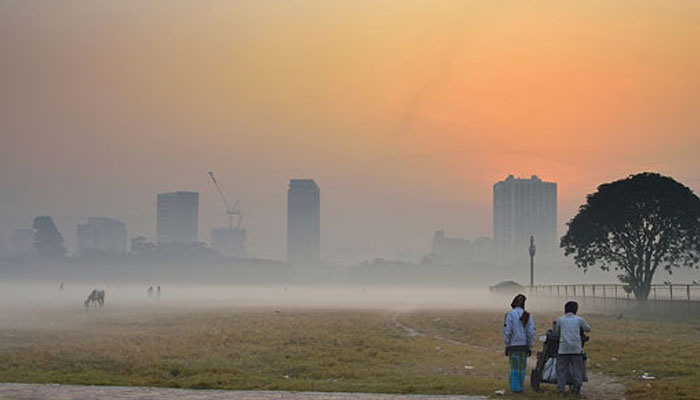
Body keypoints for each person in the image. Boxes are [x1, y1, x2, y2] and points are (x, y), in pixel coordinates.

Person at [553, 301, 591, 396]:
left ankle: (561, 389)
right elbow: (588, 329)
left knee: (561, 369)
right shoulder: (579, 320)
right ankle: (576, 389)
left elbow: (556, 331)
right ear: (576, 310)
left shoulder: (560, 320)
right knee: (577, 368)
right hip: (576, 348)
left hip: (563, 348)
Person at [503, 293, 536, 393]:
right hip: (524, 345)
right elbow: (530, 332)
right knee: (522, 368)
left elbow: (508, 331)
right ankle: (521, 387)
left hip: (513, 345)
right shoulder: (527, 315)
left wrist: (507, 344)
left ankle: (515, 387)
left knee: (514, 368)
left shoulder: (510, 314)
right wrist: (530, 345)